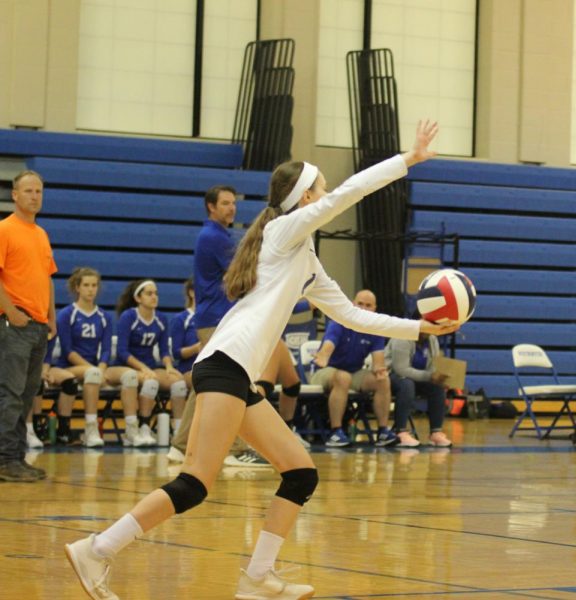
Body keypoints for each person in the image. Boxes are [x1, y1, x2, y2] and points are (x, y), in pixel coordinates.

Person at [65, 119, 455, 600]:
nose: (327, 194)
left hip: (235, 374)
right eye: (321, 189)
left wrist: (420, 327)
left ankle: (257, 578)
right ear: (304, 198)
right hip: (226, 365)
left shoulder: (306, 262)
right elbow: (346, 195)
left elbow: (354, 316)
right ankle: (97, 550)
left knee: (300, 472)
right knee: (193, 484)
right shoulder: (283, 231)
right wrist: (407, 160)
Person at [168, 185, 270, 467]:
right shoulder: (214, 237)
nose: (231, 208)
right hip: (216, 319)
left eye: (233, 203)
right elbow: (243, 274)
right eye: (225, 203)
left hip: (213, 317)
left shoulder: (217, 235)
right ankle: (234, 449)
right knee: (233, 378)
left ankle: (179, 446)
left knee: (205, 382)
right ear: (211, 207)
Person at [0, 170, 56, 482]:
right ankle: (5, 459)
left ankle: (15, 457)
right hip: (15, 323)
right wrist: (11, 312)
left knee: (25, 394)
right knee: (10, 393)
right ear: (15, 195)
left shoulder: (40, 234)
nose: (35, 196)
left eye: (39, 191)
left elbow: (46, 276)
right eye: (29, 191)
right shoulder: (5, 230)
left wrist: (51, 315)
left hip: (37, 326)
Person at [311, 289, 396, 448]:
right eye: (360, 304)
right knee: (343, 377)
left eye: (368, 305)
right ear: (352, 304)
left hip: (353, 372)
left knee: (383, 381)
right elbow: (329, 343)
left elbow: (378, 360)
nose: (363, 308)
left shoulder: (375, 328)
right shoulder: (339, 321)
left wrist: (380, 370)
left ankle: (383, 431)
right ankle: (336, 432)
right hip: (325, 370)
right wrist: (323, 354)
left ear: (375, 309)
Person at [109, 279, 188, 447]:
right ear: (138, 298)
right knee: (141, 379)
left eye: (156, 293)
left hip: (150, 367)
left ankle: (179, 433)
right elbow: (122, 351)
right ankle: (134, 430)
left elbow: (164, 351)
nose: (154, 297)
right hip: (124, 366)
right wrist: (143, 368)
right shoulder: (129, 316)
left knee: (179, 382)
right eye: (149, 293)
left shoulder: (160, 318)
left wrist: (168, 367)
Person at [47, 267, 113, 447]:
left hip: (95, 369)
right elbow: (68, 351)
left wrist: (101, 367)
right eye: (86, 285)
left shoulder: (104, 316)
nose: (91, 289)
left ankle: (134, 429)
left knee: (122, 377)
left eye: (94, 285)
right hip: (68, 367)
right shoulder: (67, 314)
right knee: (92, 374)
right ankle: (90, 428)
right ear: (77, 287)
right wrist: (94, 370)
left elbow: (106, 349)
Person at [385, 332, 452, 447]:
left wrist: (438, 378)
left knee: (437, 386)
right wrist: (430, 376)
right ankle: (400, 432)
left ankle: (435, 432)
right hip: (389, 376)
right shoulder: (402, 337)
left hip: (416, 378)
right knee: (407, 384)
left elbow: (432, 367)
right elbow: (401, 370)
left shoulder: (432, 339)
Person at [170, 278, 201, 432]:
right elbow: (176, 353)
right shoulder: (181, 319)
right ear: (191, 292)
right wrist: (198, 347)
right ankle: (180, 430)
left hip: (208, 367)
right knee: (203, 380)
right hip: (188, 369)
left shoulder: (212, 318)